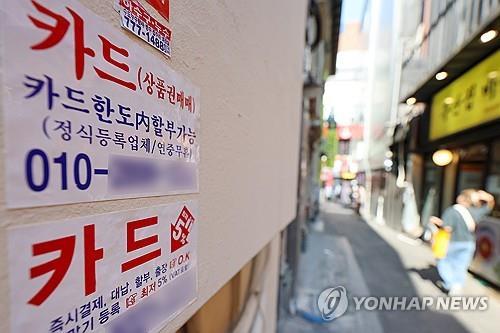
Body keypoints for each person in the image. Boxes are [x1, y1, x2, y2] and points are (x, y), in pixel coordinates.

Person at [431, 189, 495, 295]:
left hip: (453, 242)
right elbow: (489, 205)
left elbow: (447, 228)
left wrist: (437, 223)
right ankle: (457, 286)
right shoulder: (475, 211)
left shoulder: (452, 210)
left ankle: (449, 283)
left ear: (461, 198)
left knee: (443, 262)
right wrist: (487, 197)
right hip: (469, 244)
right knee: (461, 266)